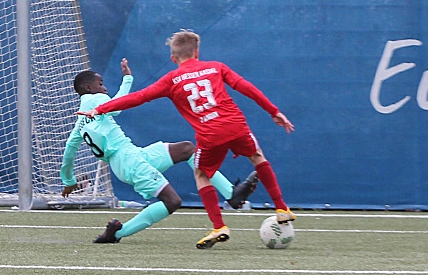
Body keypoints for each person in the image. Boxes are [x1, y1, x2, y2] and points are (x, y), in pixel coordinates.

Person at [81, 30, 295, 249]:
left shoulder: (172, 80)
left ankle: (219, 226)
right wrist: (274, 111)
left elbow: (138, 97)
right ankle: (281, 208)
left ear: (173, 58)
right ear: (197, 52)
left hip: (209, 134)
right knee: (257, 157)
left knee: (201, 175)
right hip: (236, 125)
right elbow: (247, 87)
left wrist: (100, 109)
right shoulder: (216, 67)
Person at [62, 58, 256, 244]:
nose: (104, 88)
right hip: (129, 161)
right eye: (100, 84)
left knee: (187, 149)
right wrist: (127, 79)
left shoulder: (79, 124)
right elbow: (116, 107)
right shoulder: (95, 100)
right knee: (172, 201)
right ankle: (118, 233)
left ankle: (232, 194)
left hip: (132, 156)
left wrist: (69, 181)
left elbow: (69, 152)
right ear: (88, 88)